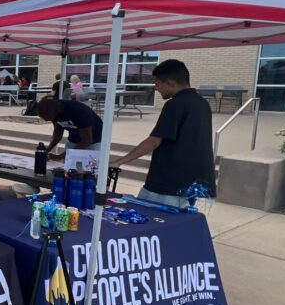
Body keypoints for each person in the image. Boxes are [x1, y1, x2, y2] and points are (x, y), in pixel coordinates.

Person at [109, 59, 216, 208]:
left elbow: (154, 141)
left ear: (170, 83)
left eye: (157, 83)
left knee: (146, 220)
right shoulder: (202, 103)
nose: (155, 88)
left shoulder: (175, 104)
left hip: (168, 183)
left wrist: (119, 161)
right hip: (190, 184)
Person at [36, 97, 103, 153]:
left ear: (52, 110)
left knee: (88, 166)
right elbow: (58, 133)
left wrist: (62, 156)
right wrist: (47, 150)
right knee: (68, 164)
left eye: (46, 117)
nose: (46, 120)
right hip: (74, 138)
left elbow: (87, 141)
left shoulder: (78, 111)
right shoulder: (54, 113)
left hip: (93, 140)